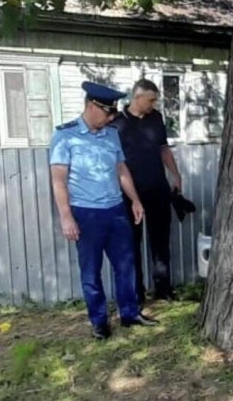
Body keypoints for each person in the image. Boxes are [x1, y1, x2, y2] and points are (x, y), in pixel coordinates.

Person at [49, 81, 159, 340]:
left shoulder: (111, 134)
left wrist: (134, 200)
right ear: (90, 105)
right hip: (86, 214)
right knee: (91, 270)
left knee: (126, 265)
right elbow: (58, 180)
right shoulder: (65, 136)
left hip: (116, 210)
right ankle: (99, 322)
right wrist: (66, 216)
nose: (110, 118)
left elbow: (121, 169)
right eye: (107, 113)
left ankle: (130, 314)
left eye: (113, 114)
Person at [111, 79, 182, 303]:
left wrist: (176, 175)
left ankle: (163, 288)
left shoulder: (156, 118)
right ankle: (137, 291)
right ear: (137, 97)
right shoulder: (117, 123)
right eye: (150, 100)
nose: (154, 104)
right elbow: (114, 162)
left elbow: (163, 149)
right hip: (130, 195)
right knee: (132, 242)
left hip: (157, 188)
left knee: (160, 241)